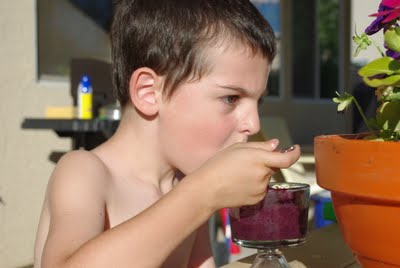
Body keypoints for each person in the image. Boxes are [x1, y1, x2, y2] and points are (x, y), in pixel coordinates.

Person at [33, 0, 301, 267]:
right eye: (231, 98)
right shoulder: (85, 172)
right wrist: (203, 193)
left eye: (259, 102)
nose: (253, 124)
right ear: (149, 93)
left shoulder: (185, 187)